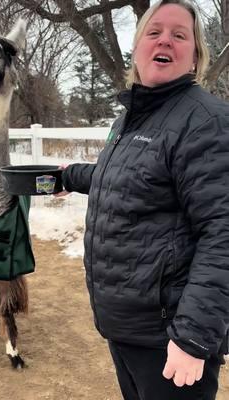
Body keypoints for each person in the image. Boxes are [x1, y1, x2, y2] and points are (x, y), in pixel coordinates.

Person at [58, 1, 229, 399]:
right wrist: (66, 176)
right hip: (127, 330)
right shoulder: (132, 119)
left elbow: (223, 232)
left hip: (168, 339)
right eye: (154, 32)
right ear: (137, 49)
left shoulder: (207, 121)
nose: (164, 39)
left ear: (195, 57)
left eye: (179, 34)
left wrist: (193, 338)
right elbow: (125, 178)